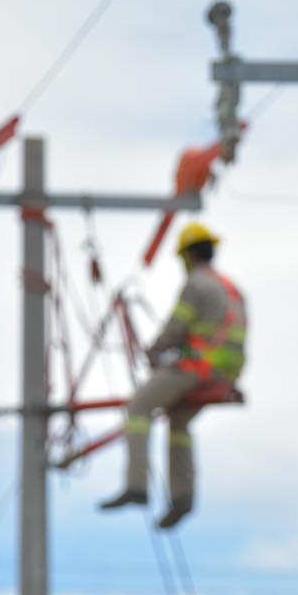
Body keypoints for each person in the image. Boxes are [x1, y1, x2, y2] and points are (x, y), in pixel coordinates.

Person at [99, 222, 247, 530]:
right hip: (227, 372)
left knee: (138, 407)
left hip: (200, 369)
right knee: (179, 421)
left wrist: (154, 352)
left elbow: (176, 329)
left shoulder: (195, 285)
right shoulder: (232, 288)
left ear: (188, 256)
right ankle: (182, 497)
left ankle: (136, 486)